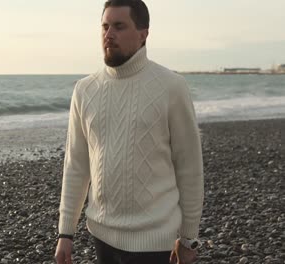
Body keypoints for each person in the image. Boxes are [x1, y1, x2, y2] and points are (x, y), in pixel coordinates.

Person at [54, 0, 204, 263]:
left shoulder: (171, 87)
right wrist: (65, 232)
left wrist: (189, 237)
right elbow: (76, 165)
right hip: (102, 235)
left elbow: (189, 167)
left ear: (143, 33)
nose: (108, 35)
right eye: (104, 26)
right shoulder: (84, 90)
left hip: (156, 242)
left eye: (119, 26)